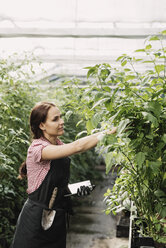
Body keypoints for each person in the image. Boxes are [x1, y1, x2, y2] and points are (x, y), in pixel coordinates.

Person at [10, 101, 116, 248]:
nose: (62, 121)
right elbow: (77, 147)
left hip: (56, 219)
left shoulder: (58, 145)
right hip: (35, 221)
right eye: (55, 119)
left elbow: (55, 188)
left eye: (60, 117)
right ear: (42, 125)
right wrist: (108, 133)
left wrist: (72, 190)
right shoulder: (37, 149)